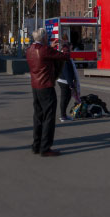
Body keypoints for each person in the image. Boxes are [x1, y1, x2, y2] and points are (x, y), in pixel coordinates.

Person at [26, 28, 70, 157]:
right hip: (46, 86)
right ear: (44, 38)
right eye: (47, 37)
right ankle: (45, 148)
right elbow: (65, 57)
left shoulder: (30, 50)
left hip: (35, 86)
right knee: (49, 117)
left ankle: (36, 145)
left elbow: (43, 57)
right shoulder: (45, 50)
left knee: (38, 116)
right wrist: (65, 45)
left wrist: (51, 47)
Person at [54, 40, 81, 123]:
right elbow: (67, 72)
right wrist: (71, 84)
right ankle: (63, 116)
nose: (71, 48)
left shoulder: (64, 55)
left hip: (63, 80)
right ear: (67, 47)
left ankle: (64, 115)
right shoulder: (65, 57)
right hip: (64, 81)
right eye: (70, 46)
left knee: (67, 97)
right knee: (64, 98)